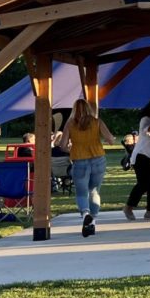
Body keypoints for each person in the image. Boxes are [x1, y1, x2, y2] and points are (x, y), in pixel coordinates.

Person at [59, 98, 115, 238]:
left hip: (79, 160)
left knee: (81, 192)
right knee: (94, 191)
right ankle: (93, 220)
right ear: (88, 109)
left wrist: (71, 149)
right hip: (98, 159)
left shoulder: (70, 124)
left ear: (74, 109)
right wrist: (103, 141)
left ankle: (85, 213)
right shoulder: (97, 122)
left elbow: (63, 145)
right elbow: (110, 139)